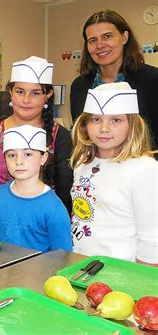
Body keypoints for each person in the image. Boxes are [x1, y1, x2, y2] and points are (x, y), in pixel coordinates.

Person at [70, 82, 157, 265]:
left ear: (132, 125)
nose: (104, 128)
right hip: (81, 266)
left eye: (116, 120)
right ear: (85, 125)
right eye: (95, 119)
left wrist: (139, 283)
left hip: (122, 273)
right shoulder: (82, 162)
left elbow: (152, 241)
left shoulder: (144, 170)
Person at [0, 56, 73, 213]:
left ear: (47, 95)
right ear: (10, 92)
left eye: (35, 93)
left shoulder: (60, 138)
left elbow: (65, 195)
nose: (26, 100)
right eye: (20, 92)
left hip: (43, 223)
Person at [70, 9, 158, 149]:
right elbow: (80, 136)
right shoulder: (79, 86)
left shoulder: (152, 80)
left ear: (124, 37)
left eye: (107, 36)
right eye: (92, 40)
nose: (99, 45)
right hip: (95, 166)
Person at [0, 125, 72, 253]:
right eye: (11, 155)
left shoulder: (54, 208)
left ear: (43, 158)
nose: (19, 161)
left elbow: (62, 257)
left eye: (27, 154)